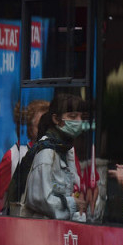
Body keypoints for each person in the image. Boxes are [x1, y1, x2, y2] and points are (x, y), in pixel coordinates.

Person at [19, 93, 91, 221]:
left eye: (81, 116)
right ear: (56, 119)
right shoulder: (47, 152)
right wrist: (74, 204)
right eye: (72, 116)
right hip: (43, 232)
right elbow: (40, 199)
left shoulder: (67, 149)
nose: (79, 121)